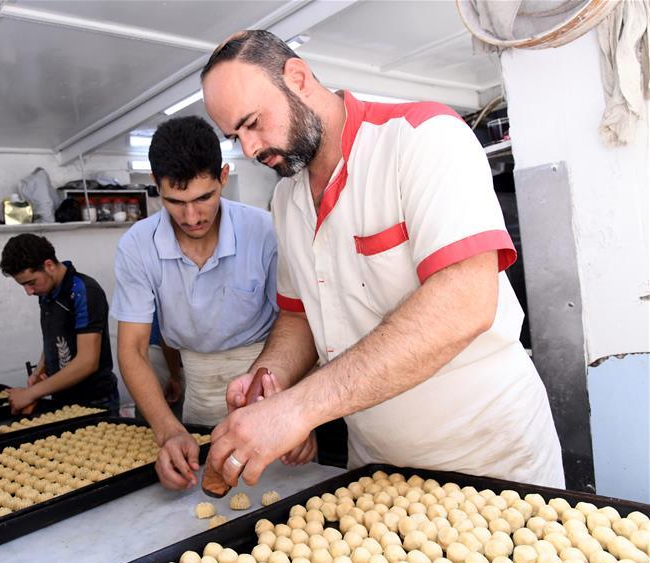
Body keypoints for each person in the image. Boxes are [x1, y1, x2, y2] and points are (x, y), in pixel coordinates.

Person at [200, 30, 565, 489]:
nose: (250, 149)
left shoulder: (422, 139)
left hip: (487, 458)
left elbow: (466, 302)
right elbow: (300, 317)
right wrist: (270, 378)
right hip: (376, 468)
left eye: (253, 123)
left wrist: (298, 408)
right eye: (236, 136)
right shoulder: (286, 201)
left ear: (296, 77)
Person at [111, 115, 315, 490]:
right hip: (199, 391)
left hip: (266, 384)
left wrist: (293, 409)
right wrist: (168, 430)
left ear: (223, 177)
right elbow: (134, 349)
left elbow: (297, 321)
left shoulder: (264, 231)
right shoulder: (137, 247)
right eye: (176, 202)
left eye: (204, 197)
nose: (192, 216)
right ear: (155, 185)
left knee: (281, 495)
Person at [0, 233, 118, 415]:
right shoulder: (46, 292)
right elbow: (55, 336)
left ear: (49, 265)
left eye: (31, 283)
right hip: (62, 397)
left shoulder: (83, 291)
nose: (29, 292)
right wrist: (39, 371)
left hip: (94, 400)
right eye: (23, 285)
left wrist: (30, 394)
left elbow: (88, 362)